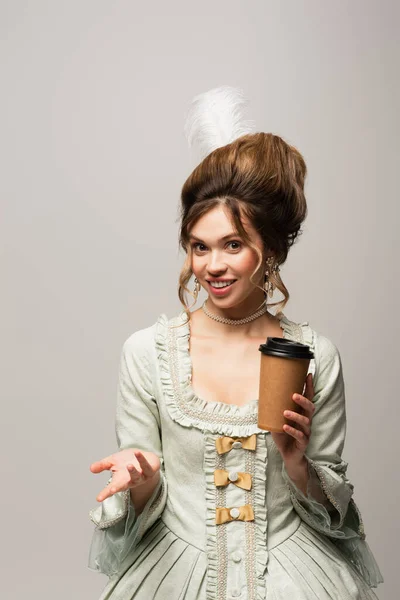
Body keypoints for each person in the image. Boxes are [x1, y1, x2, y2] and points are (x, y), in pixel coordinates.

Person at [88, 86, 384, 599]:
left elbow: (335, 510)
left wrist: (297, 463)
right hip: (173, 572)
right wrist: (141, 479)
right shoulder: (146, 353)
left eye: (233, 245)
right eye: (199, 247)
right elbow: (137, 496)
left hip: (294, 577)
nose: (213, 266)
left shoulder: (316, 355)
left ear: (268, 249)